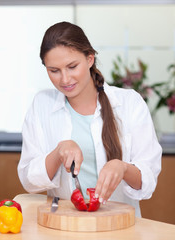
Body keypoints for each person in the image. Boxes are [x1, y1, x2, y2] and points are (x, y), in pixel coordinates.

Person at [17, 21, 162, 217]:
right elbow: (29, 180)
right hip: (65, 226)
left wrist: (123, 168)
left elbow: (148, 180)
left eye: (72, 66)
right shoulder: (41, 105)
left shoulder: (130, 103)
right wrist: (58, 152)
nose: (65, 79)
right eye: (54, 70)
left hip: (120, 226)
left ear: (90, 59)